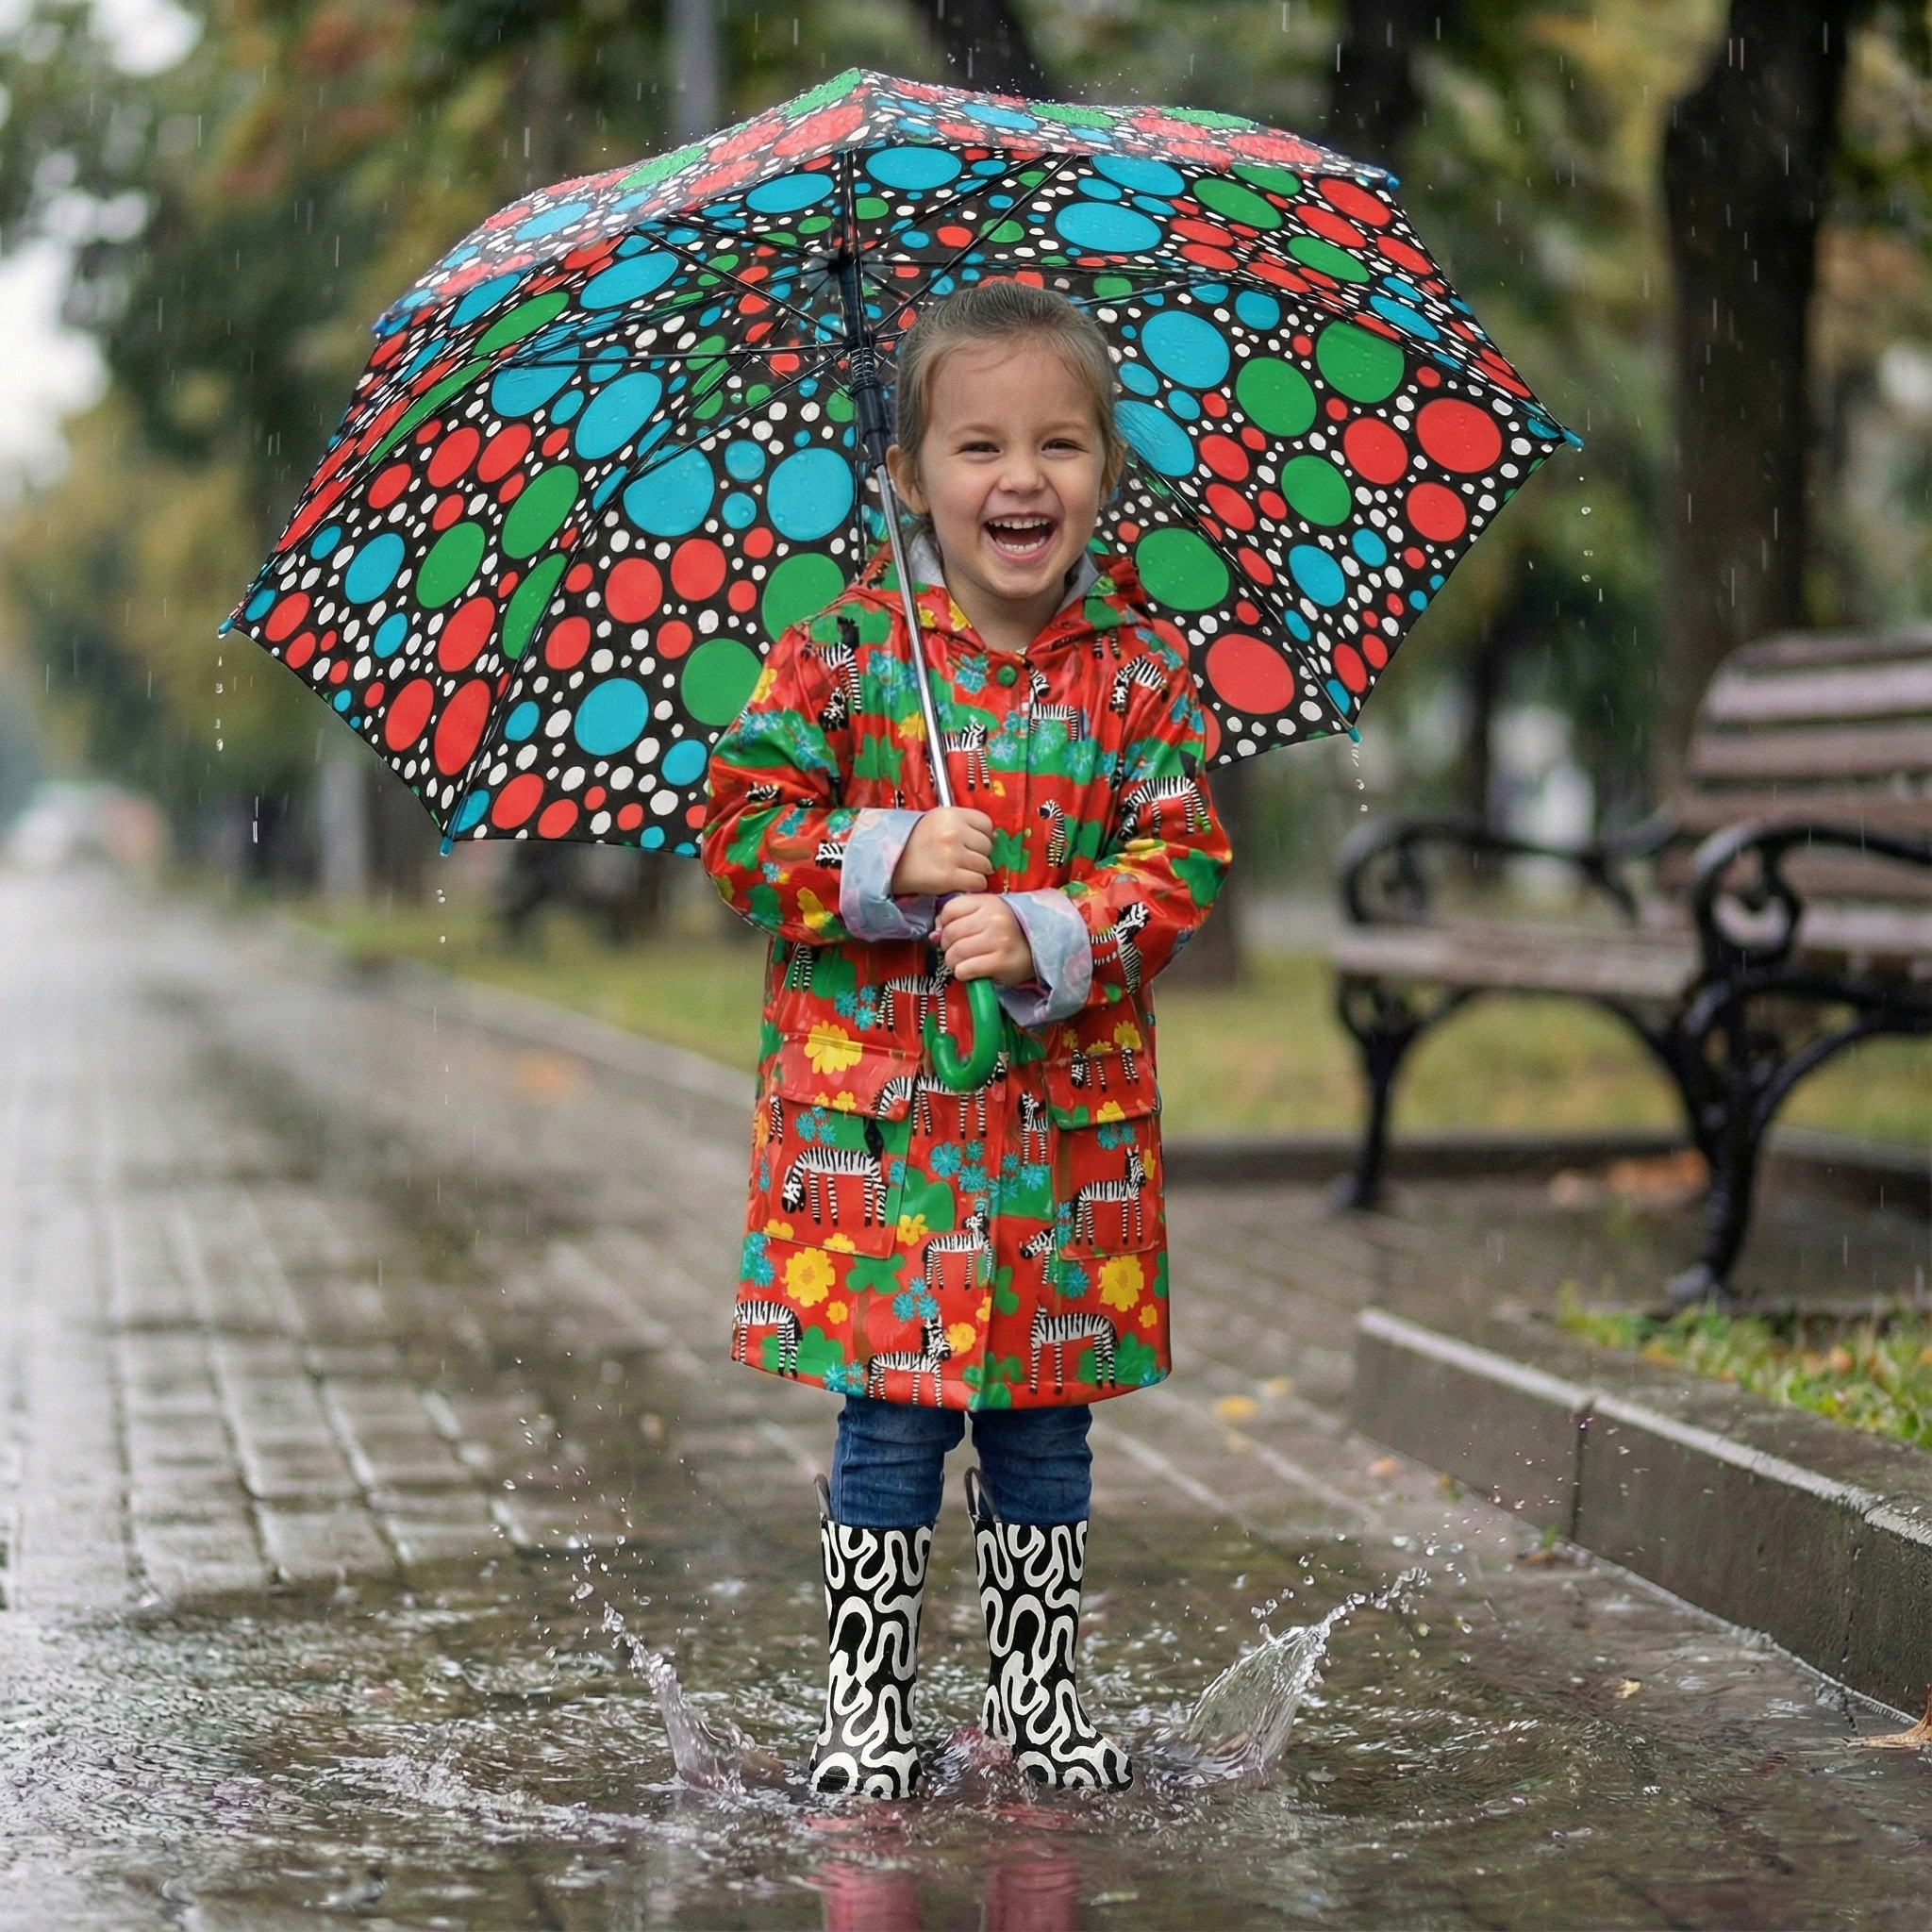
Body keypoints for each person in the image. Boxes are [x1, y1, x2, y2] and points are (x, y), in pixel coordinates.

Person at [701, 277, 1230, 1798]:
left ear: (1104, 475)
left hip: (1058, 1151)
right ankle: (869, 1709)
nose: (1020, 480)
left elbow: (1180, 862)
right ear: (909, 481)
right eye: (979, 447)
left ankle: (1037, 1696)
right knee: (889, 1429)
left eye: (1060, 446)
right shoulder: (843, 658)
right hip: (879, 1156)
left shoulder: (1139, 675)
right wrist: (887, 858)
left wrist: (1055, 928)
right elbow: (745, 832)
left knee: (1042, 1430)